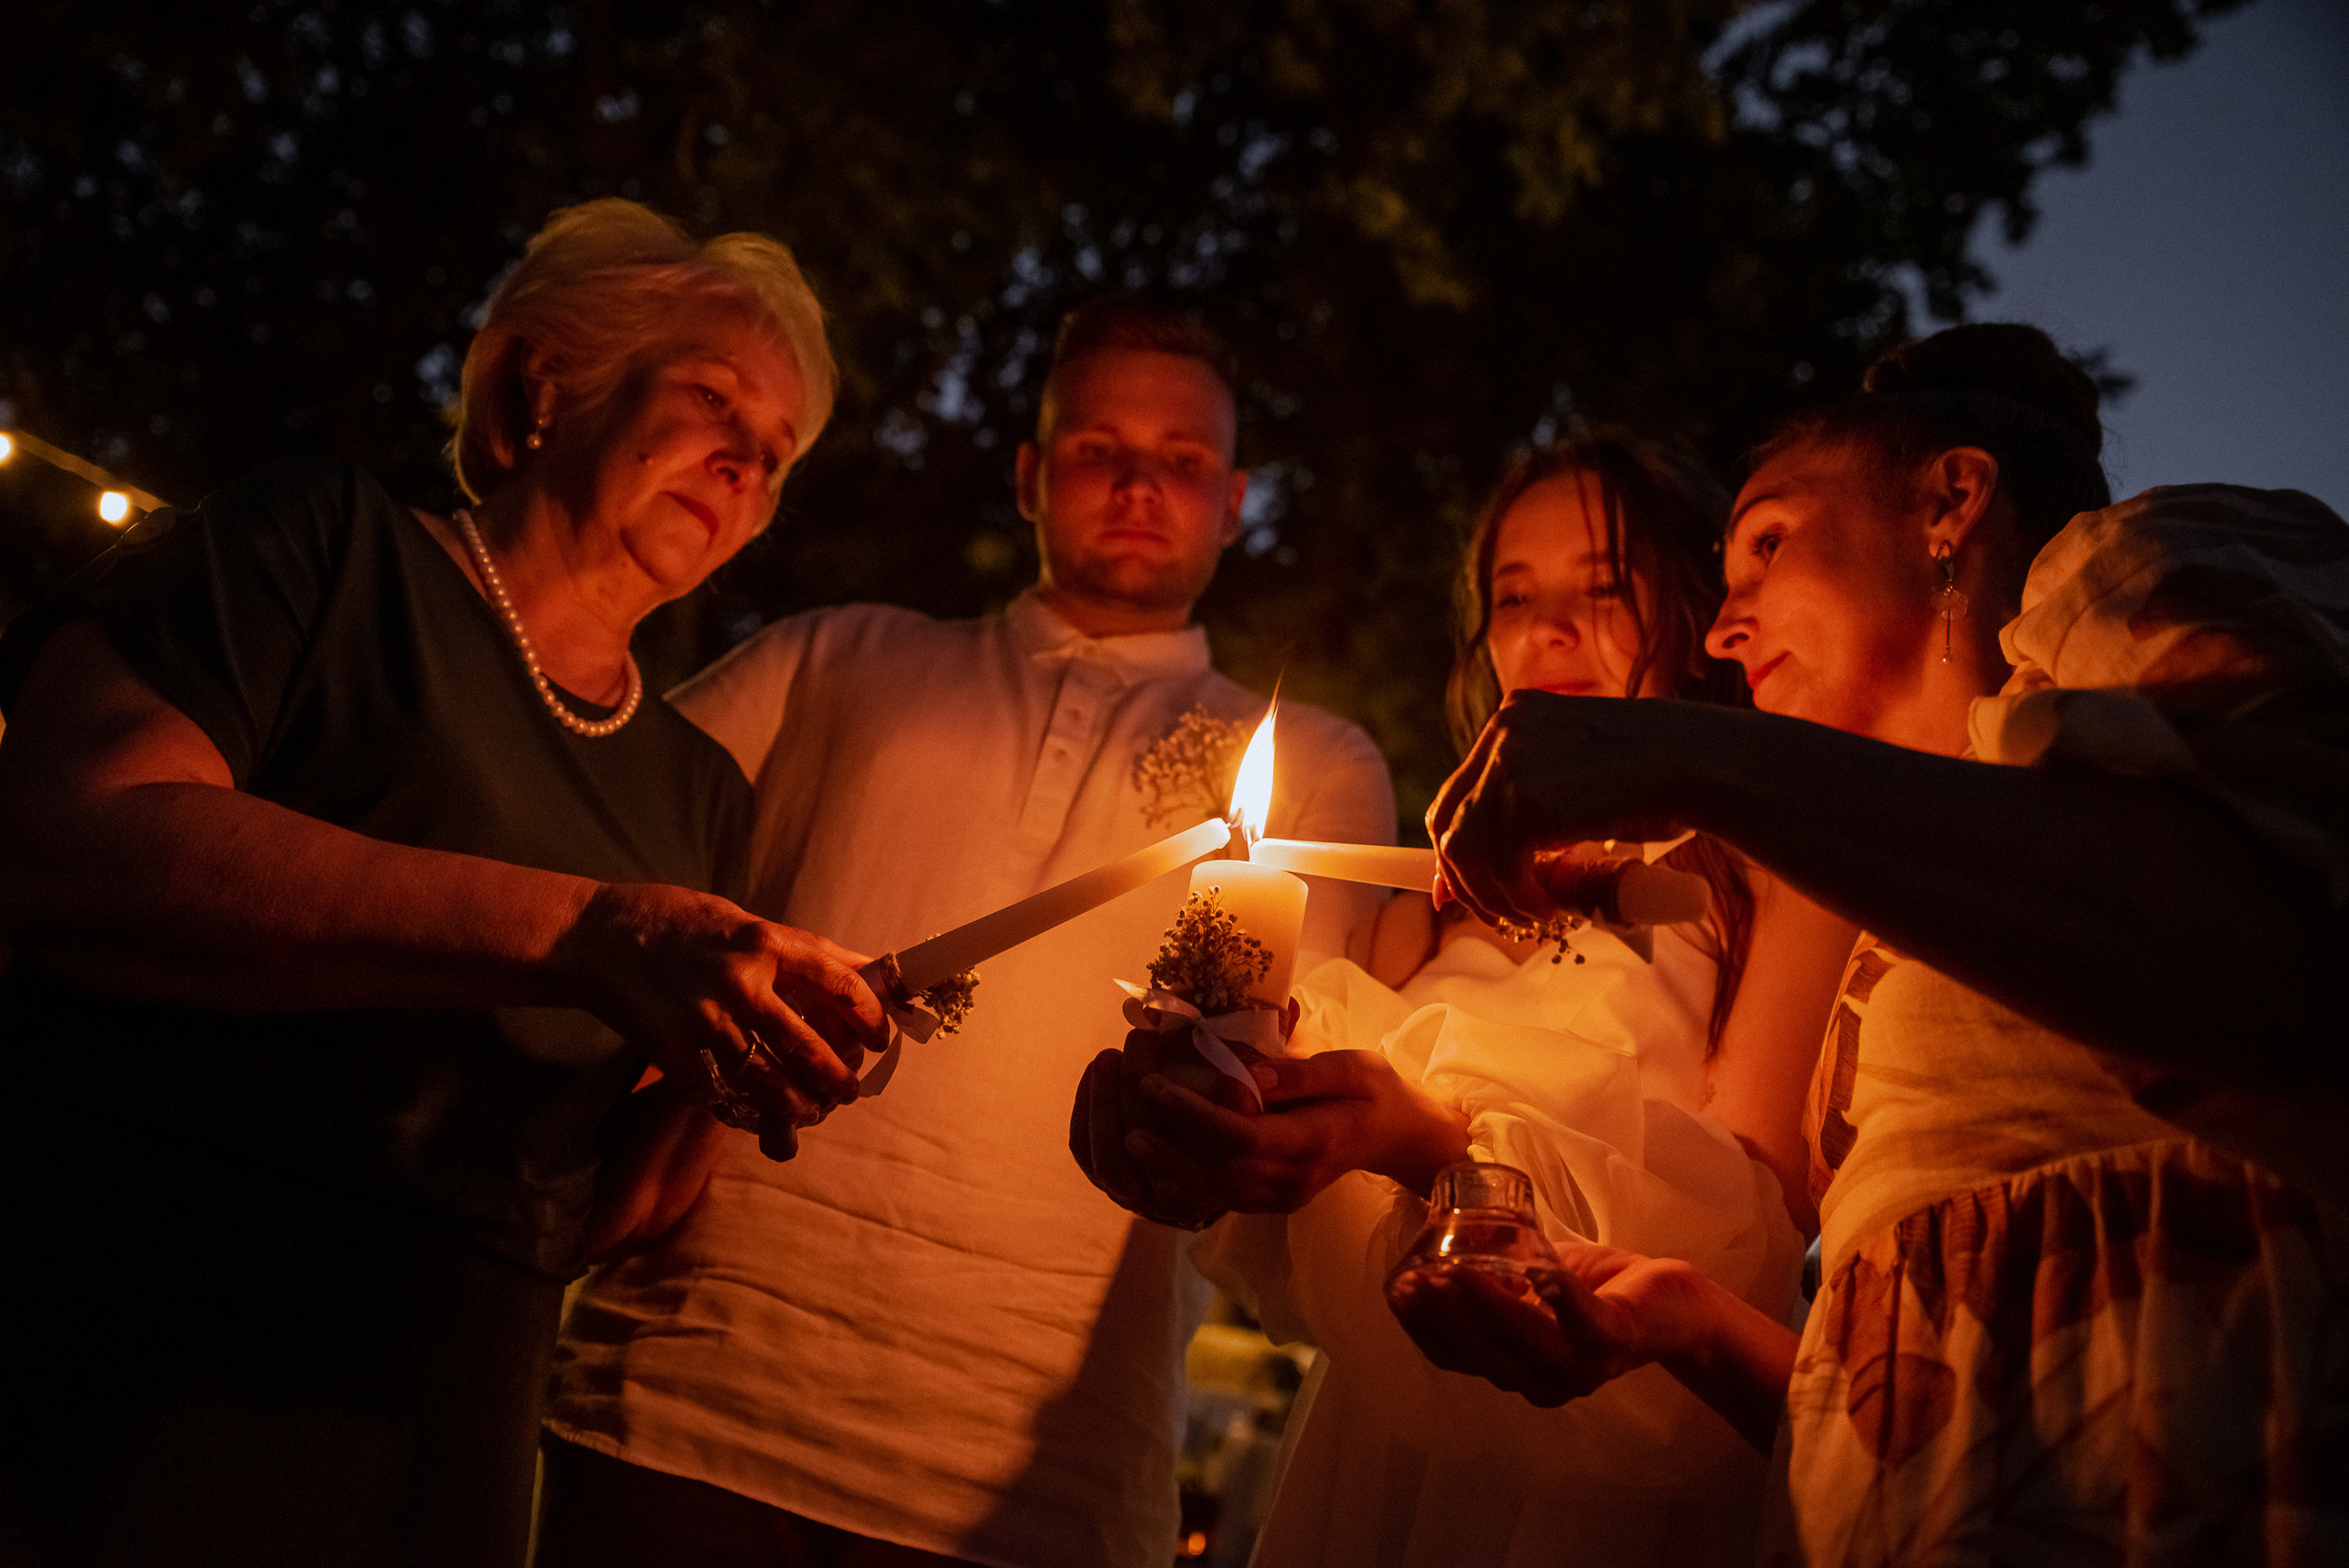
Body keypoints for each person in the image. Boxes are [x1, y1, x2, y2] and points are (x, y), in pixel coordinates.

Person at [0, 198, 885, 1568]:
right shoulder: (330, 549)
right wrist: (587, 930)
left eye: (775, 458)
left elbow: (596, 1205)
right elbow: (71, 838)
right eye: (713, 400)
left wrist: (748, 1081)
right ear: (546, 380)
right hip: (128, 1346)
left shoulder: (699, 792)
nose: (743, 466)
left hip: (432, 1439)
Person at [1412, 323, 2349, 1563]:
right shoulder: (1885, 929)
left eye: (1767, 545)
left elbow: (2289, 969)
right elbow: (1923, 1368)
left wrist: (1695, 755)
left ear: (1951, 502)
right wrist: (1687, 1323)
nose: (1720, 632)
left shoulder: (2117, 579)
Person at [538, 299, 1397, 1568]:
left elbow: (1293, 1099)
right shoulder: (839, 659)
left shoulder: (1318, 770)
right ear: (1031, 475)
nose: (1139, 485)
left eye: (1182, 462)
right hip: (678, 1403)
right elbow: (573, 839)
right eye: (1100, 448)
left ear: (1234, 501)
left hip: (1043, 1488)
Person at [1071, 429, 1854, 1566]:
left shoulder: (1764, 875)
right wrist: (1216, 1115)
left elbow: (1751, 1227)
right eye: (1511, 593)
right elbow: (1302, 1207)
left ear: (1693, 618)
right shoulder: (1422, 909)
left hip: (1621, 1474)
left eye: (1605, 588)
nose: (1547, 631)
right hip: (1383, 1445)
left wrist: (1432, 1141)